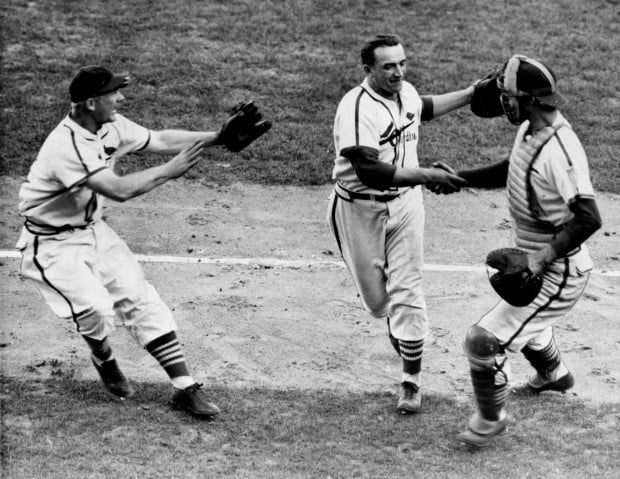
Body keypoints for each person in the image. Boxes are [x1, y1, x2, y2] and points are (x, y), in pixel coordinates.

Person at [15, 65, 267, 418]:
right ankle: (103, 356)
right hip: (51, 244)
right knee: (96, 309)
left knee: (141, 299)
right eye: (113, 93)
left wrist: (217, 138)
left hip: (93, 230)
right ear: (90, 102)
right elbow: (119, 190)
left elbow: (158, 139)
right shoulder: (66, 146)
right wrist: (170, 171)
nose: (121, 98)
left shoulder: (109, 123)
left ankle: (184, 387)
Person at [453, 55, 602, 446]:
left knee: (483, 341)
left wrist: (538, 260)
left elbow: (588, 219)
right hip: (544, 261)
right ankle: (554, 375)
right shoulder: (531, 129)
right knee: (520, 306)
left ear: (530, 99)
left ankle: (491, 419)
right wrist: (458, 179)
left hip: (559, 272)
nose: (504, 102)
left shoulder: (560, 151)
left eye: (509, 96)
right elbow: (513, 168)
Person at [327, 34, 473, 414]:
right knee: (379, 303)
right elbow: (369, 170)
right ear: (368, 70)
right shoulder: (357, 107)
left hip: (407, 206)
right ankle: (400, 326)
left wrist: (472, 93)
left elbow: (423, 107)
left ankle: (411, 380)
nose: (398, 72)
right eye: (388, 66)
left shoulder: (404, 91)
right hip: (359, 210)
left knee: (408, 292)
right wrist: (426, 175)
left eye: (402, 63)